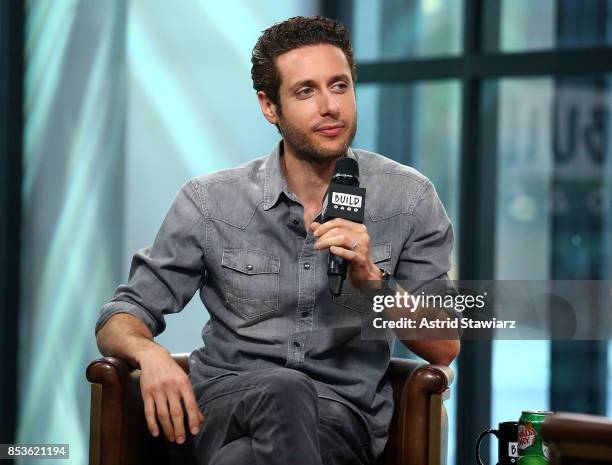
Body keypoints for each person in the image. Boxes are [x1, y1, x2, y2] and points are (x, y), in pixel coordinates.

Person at [95, 15, 460, 465]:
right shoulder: (211, 201)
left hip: (337, 420)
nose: (330, 106)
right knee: (282, 388)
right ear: (270, 107)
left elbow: (445, 344)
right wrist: (147, 353)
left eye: (339, 86)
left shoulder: (408, 198)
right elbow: (121, 315)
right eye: (306, 91)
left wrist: (372, 282)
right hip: (222, 407)